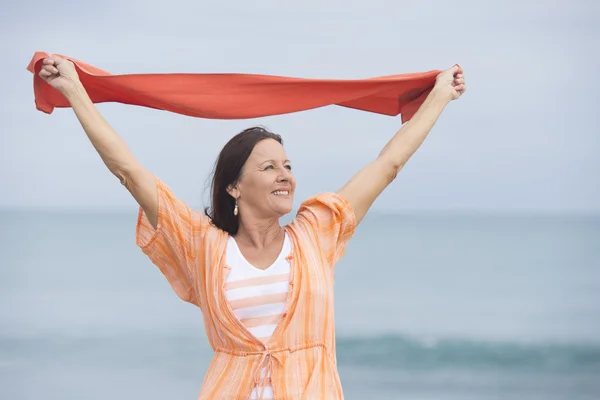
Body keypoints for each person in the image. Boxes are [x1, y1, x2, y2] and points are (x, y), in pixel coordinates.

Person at [38, 55, 466, 400]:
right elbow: (128, 171)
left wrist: (439, 98)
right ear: (235, 188)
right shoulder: (202, 245)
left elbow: (387, 165)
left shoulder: (316, 233)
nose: (285, 175)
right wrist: (74, 90)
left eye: (288, 166)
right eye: (269, 167)